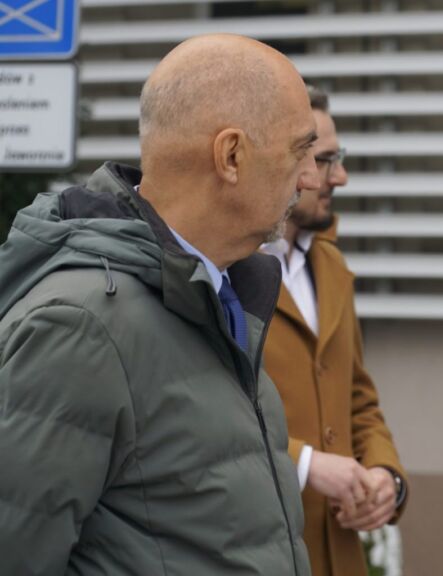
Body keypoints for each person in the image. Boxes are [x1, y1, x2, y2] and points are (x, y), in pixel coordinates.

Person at [0, 34, 318, 575]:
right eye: (299, 150)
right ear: (231, 156)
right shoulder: (81, 327)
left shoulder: (219, 296)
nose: (309, 176)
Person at [262, 85, 408, 576]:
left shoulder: (331, 266)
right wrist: (305, 464)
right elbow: (206, 420)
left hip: (339, 556)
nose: (339, 177)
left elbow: (358, 400)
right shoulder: (219, 273)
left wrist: (387, 477)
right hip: (265, 552)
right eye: (326, 160)